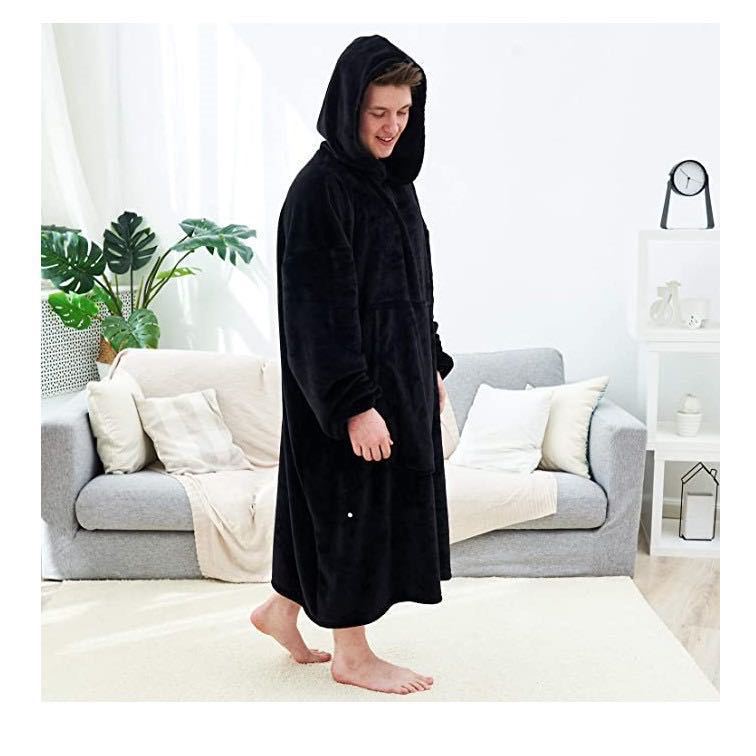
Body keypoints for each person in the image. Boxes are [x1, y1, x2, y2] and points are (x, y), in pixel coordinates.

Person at [250, 34, 455, 696]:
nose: (393, 127)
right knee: (349, 510)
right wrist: (353, 405)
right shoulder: (319, 193)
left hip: (397, 382)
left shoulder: (394, 185)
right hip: (345, 394)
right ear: (348, 108)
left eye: (404, 112)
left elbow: (415, 289)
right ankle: (353, 655)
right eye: (379, 113)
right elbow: (316, 315)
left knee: (348, 509)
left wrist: (429, 365)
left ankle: (280, 610)